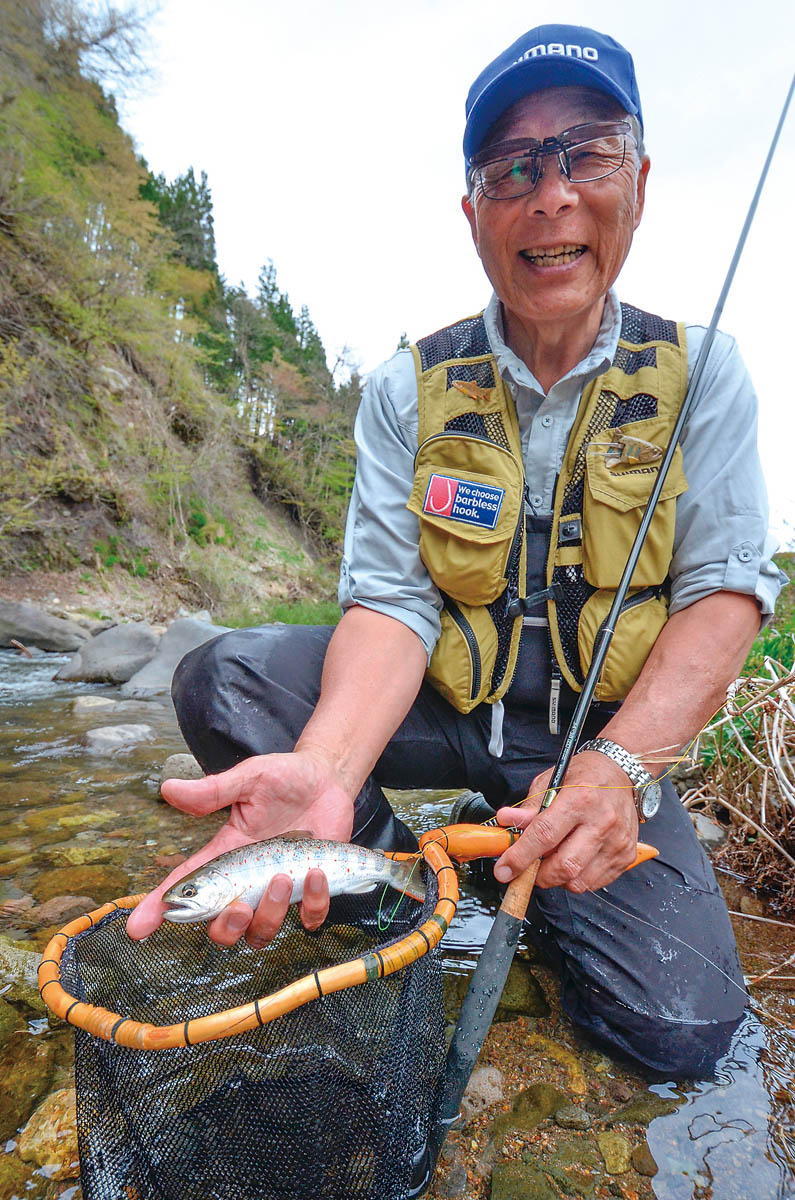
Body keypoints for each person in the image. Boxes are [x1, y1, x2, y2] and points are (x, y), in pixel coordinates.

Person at [127, 24, 786, 1075]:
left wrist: (617, 773)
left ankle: (540, 846)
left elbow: (724, 597)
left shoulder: (705, 374)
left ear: (642, 179)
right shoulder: (408, 389)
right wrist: (328, 774)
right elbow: (390, 604)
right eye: (512, 167)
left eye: (588, 152)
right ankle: (399, 889)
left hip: (592, 743)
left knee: (683, 1031)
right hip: (444, 710)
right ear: (474, 210)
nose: (552, 193)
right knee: (228, 677)